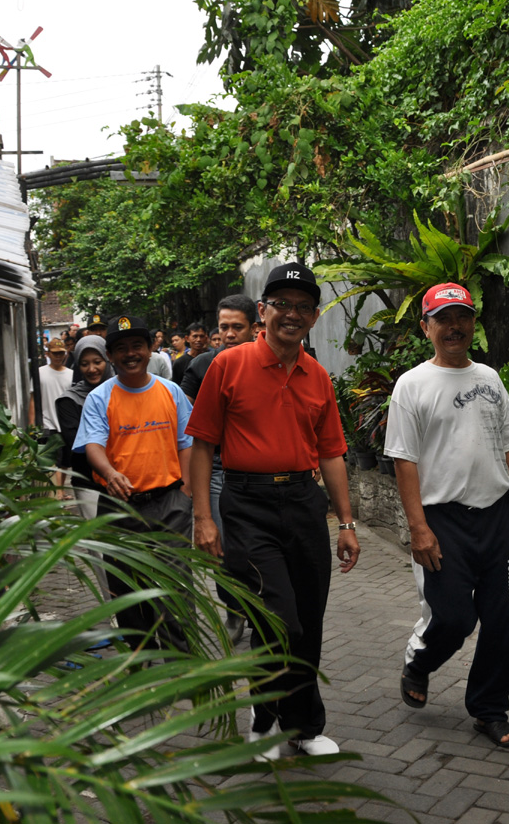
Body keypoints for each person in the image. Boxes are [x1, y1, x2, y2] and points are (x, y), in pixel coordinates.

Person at [187, 262, 359, 760]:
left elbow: (331, 454)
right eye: (282, 304)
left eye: (303, 307)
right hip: (247, 504)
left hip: (305, 504)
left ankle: (304, 727)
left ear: (313, 317)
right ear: (262, 311)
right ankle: (265, 718)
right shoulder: (229, 365)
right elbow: (202, 446)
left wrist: (346, 523)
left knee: (309, 620)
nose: (292, 314)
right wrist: (204, 518)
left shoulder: (318, 377)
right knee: (277, 620)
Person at [386, 282, 509, 749]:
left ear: (473, 323)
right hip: (442, 521)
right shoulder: (411, 386)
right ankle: (419, 663)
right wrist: (418, 527)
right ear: (426, 327)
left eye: (462, 317)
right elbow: (403, 461)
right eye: (443, 319)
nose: (453, 327)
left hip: (497, 517)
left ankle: (490, 710)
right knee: (455, 617)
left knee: (504, 616)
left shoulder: (489, 379)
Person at [73, 315, 194, 653]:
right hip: (119, 508)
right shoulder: (100, 398)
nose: (130, 354)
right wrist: (110, 474)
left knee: (176, 587)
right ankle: (140, 660)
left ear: (150, 348)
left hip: (170, 505)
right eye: (121, 348)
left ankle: (181, 663)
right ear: (111, 355)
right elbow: (93, 445)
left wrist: (186, 492)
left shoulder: (170, 392)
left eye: (136, 346)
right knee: (126, 590)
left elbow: (187, 443)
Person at [180, 293, 260, 644]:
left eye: (236, 328)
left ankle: (259, 608)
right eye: (224, 327)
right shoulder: (200, 367)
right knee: (221, 546)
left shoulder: (267, 364)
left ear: (254, 329)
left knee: (258, 545)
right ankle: (232, 610)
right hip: (215, 470)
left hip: (257, 469)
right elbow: (185, 414)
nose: (229, 334)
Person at [55, 335, 114, 599]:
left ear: (107, 361)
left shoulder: (122, 391)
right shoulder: (69, 401)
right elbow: (78, 442)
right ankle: (114, 608)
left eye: (98, 361)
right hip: (90, 483)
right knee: (101, 549)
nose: (91, 369)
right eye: (85, 363)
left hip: (127, 481)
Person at [31, 338, 74, 497]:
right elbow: (33, 399)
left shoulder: (71, 375)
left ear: (65, 353)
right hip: (47, 424)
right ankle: (57, 493)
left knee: (64, 464)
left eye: (61, 353)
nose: (58, 356)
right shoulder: (40, 373)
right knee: (52, 461)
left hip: (66, 424)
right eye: (55, 353)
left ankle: (59, 491)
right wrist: (32, 423)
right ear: (48, 354)